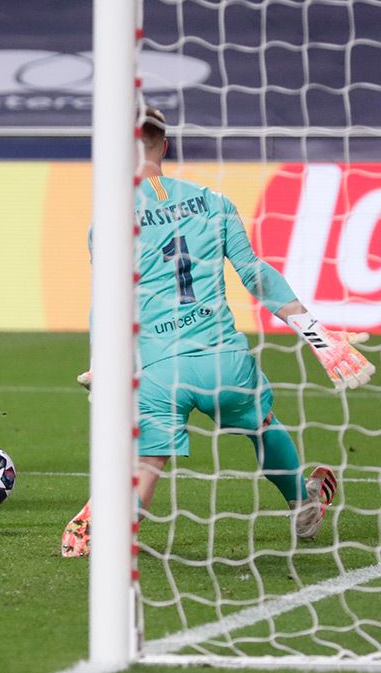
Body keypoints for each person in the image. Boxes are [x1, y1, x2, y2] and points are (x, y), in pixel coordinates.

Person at [60, 106, 374, 557]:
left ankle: (113, 537)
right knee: (264, 427)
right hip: (224, 359)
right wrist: (315, 332)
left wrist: (100, 365)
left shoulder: (109, 221)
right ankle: (304, 506)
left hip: (159, 369)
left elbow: (107, 303)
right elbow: (254, 273)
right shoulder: (213, 201)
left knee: (147, 463)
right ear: (164, 145)